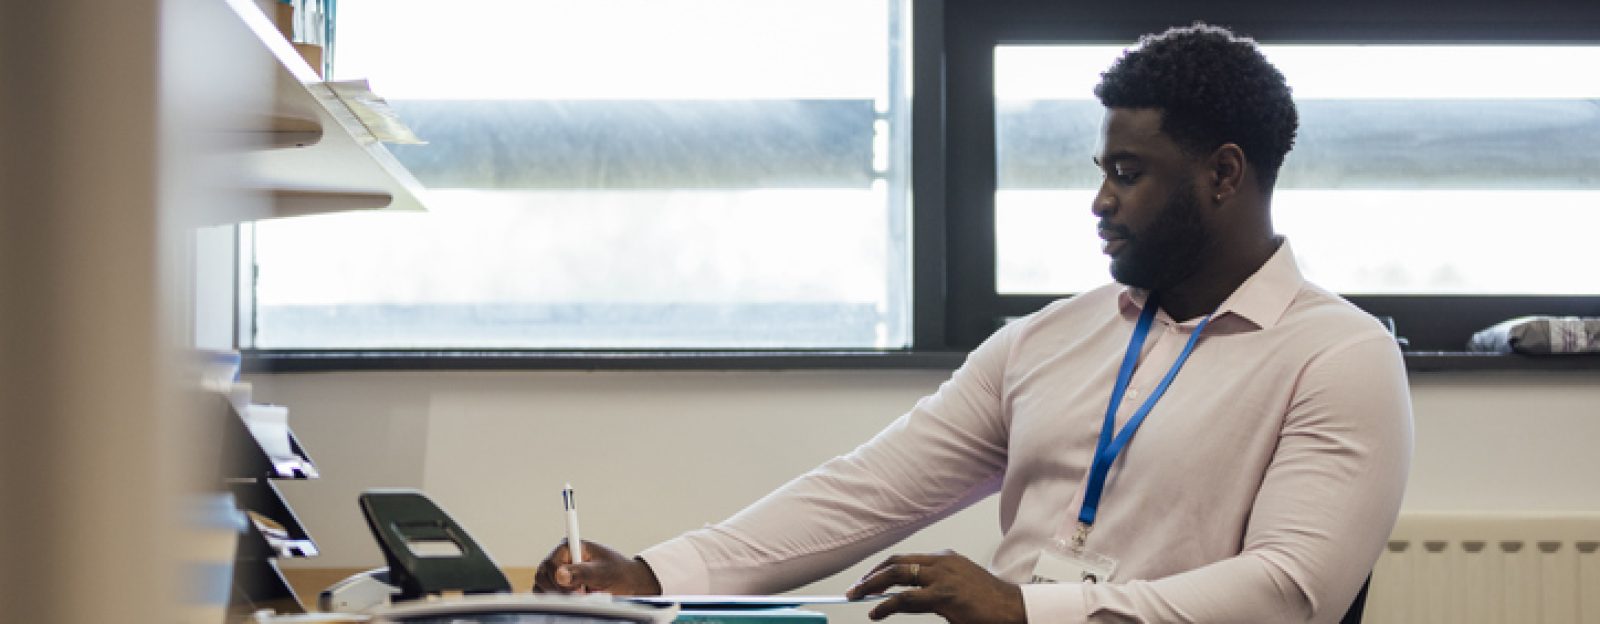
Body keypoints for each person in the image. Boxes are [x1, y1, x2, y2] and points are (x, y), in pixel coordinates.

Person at [534, 23, 1412, 623]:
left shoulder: (1339, 356)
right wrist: (654, 576)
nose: (1100, 201)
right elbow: (866, 491)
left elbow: (1291, 593)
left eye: (1128, 172)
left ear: (1223, 175)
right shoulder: (1048, 341)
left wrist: (1029, 609)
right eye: (1101, 170)